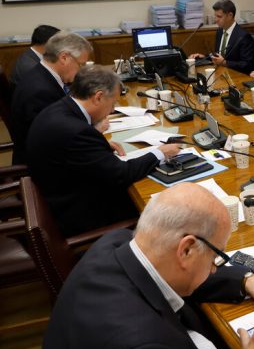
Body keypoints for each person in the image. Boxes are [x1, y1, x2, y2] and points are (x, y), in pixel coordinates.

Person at [40, 182, 254, 349]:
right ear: (186, 249)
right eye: (215, 257)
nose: (214, 267)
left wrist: (246, 280)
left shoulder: (117, 243)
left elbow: (169, 271)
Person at [26, 65, 180, 238]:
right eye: (113, 102)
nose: (113, 110)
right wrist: (160, 153)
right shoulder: (77, 132)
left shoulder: (60, 108)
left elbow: (76, 153)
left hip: (62, 194)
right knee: (168, 208)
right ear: (98, 97)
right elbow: (122, 174)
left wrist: (99, 148)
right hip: (84, 216)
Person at [10, 31, 92, 165]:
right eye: (81, 64)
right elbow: (57, 138)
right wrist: (94, 131)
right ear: (64, 57)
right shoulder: (40, 92)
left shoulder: (42, 75)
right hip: (44, 167)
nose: (82, 70)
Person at [190, 0, 254, 74]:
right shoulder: (220, 31)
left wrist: (225, 62)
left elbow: (247, 65)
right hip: (220, 73)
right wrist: (203, 57)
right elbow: (218, 55)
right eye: (215, 16)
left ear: (230, 15)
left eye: (219, 16)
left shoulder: (243, 36)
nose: (216, 20)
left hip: (235, 75)